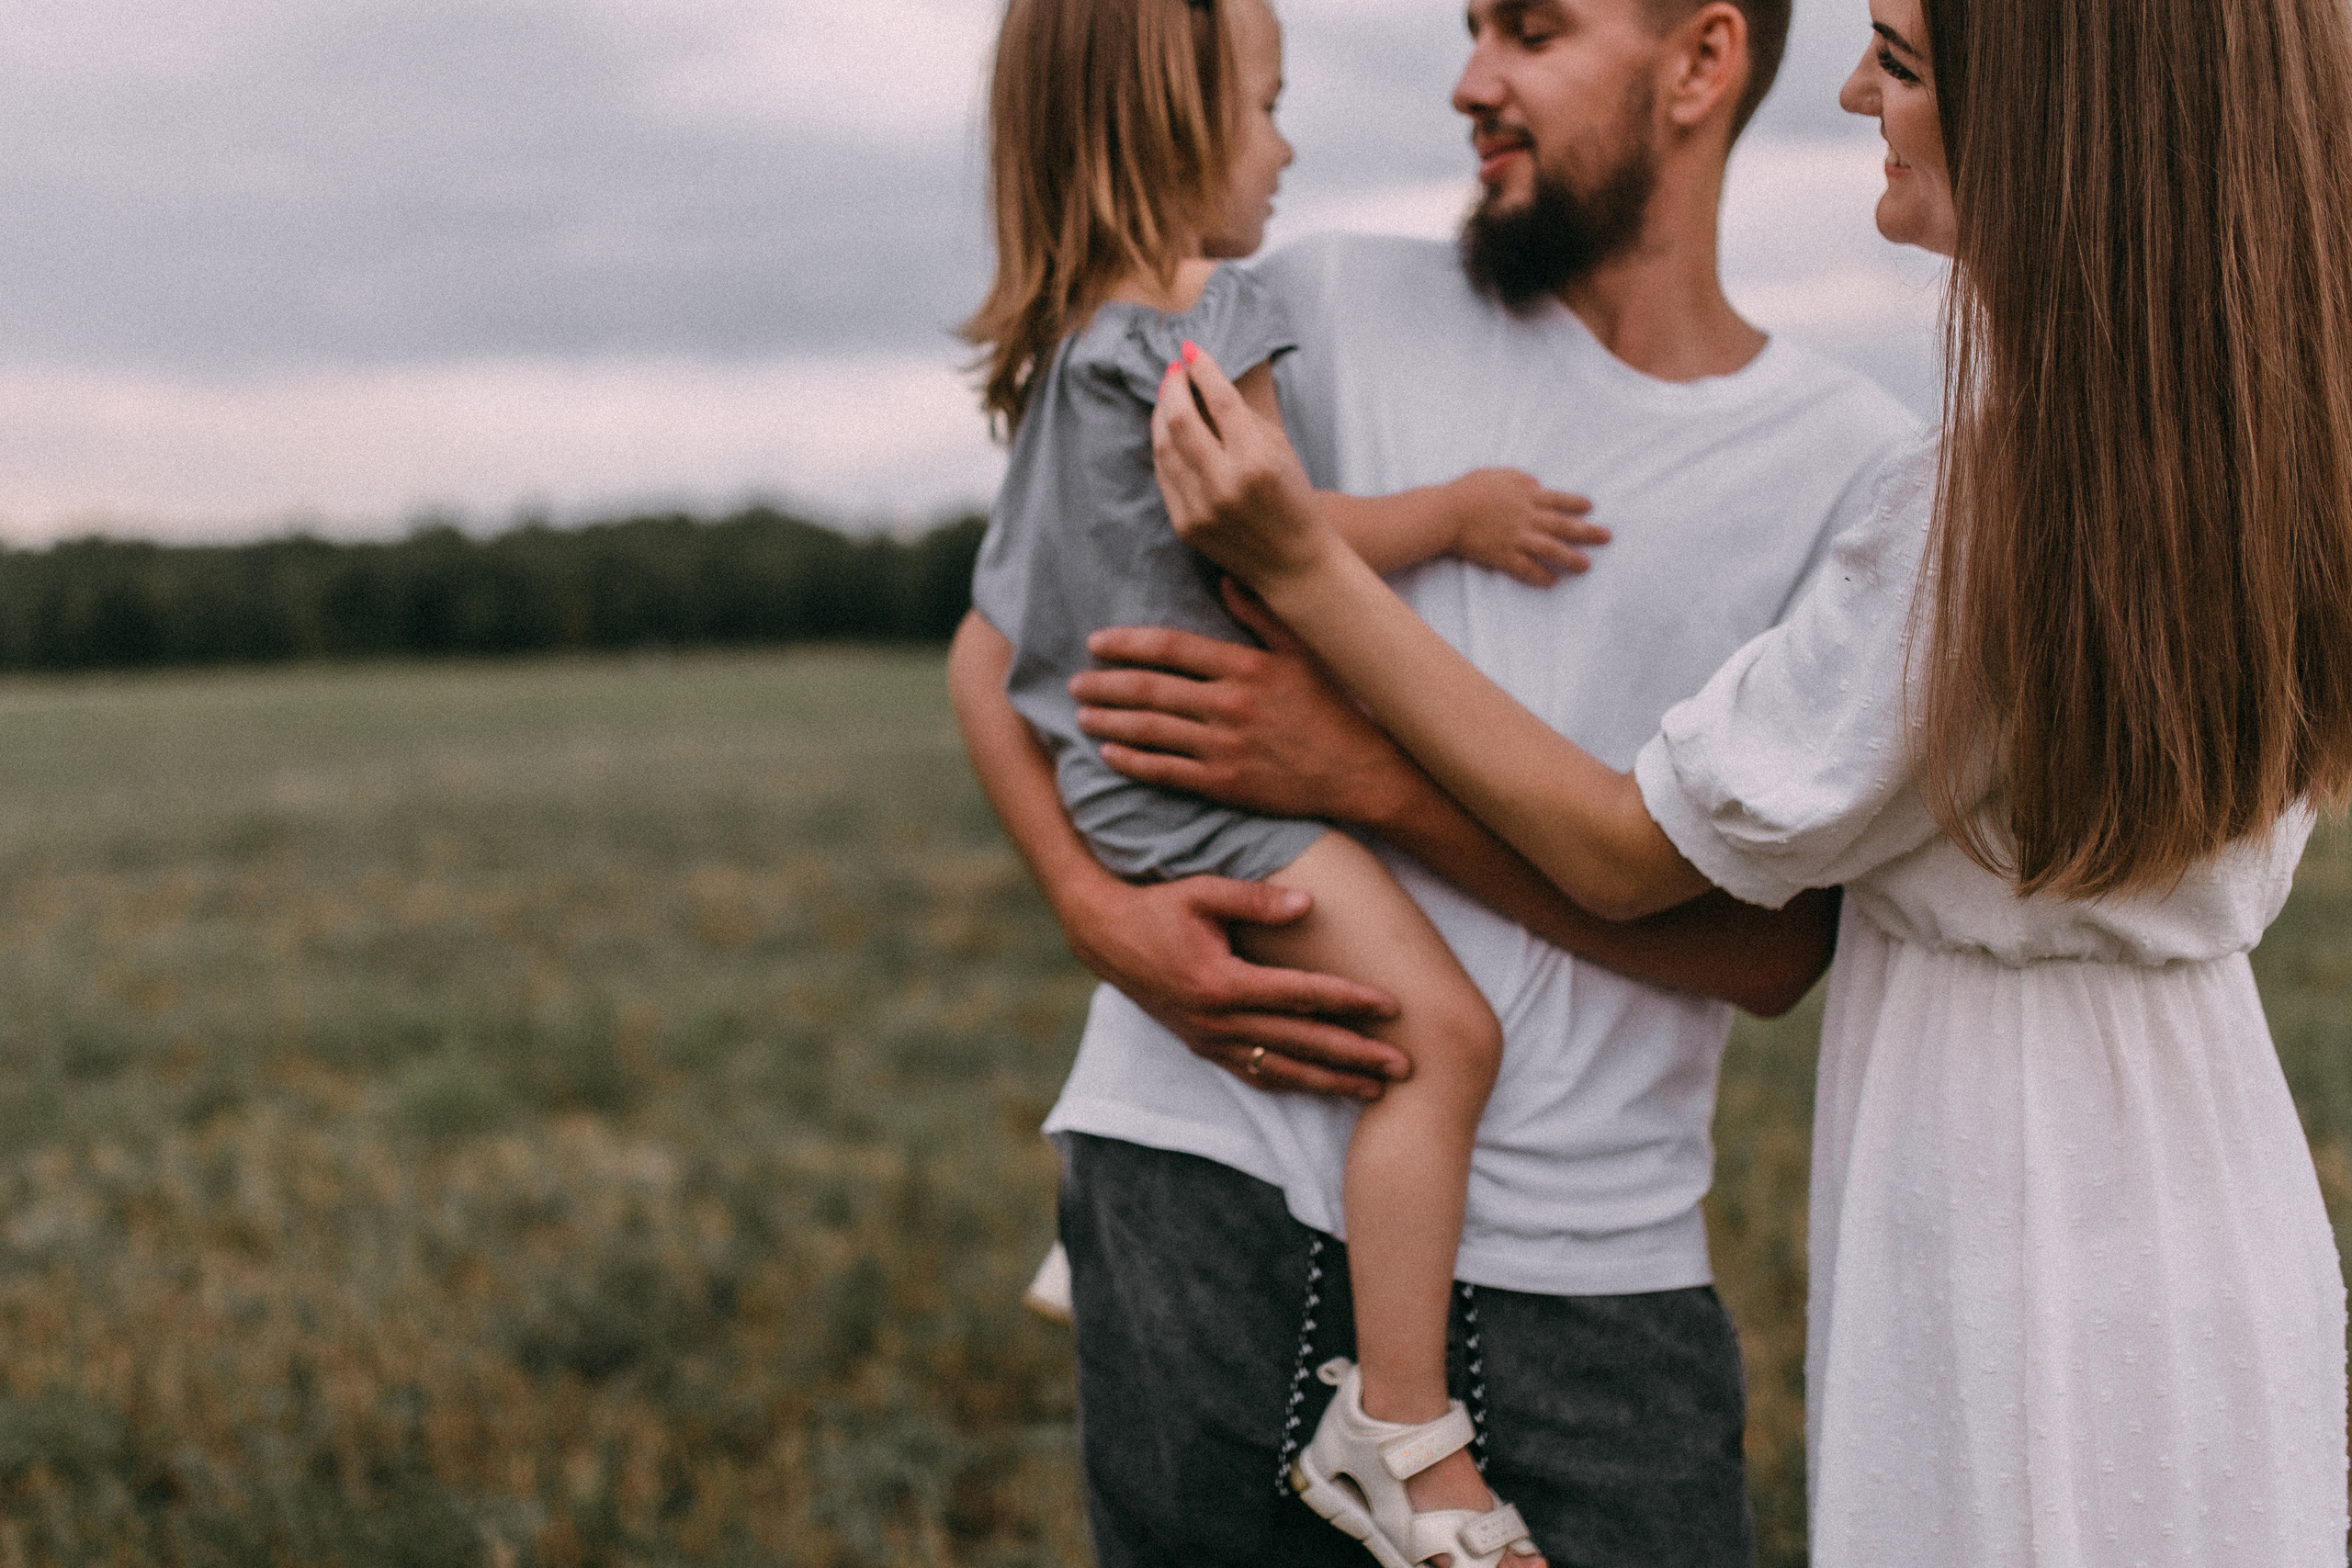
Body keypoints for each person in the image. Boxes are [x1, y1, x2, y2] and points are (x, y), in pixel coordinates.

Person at [1143, 0, 2352, 1559]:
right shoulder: (2257, 463)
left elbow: (1631, 851)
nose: (1853, 88)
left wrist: (1306, 570)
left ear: (2060, 133)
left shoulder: (1981, 516)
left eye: (1902, 62)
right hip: (2207, 1172)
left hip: (2005, 1186)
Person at [949, 0, 1918, 1562]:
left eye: (1530, 29)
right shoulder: (1296, 299)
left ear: (1702, 61)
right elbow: (1001, 654)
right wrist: (1091, 912)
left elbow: (1774, 953)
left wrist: (1364, 778)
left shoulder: (1854, 470)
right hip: (1207, 1201)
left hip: (1584, 1280)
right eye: (1471, 27)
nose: (1470, 80)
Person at [958, 0, 1622, 1559]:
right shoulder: (1211, 318)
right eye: (1264, 105)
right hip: (1207, 798)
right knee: (1443, 1041)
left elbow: (1002, 628)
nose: (1286, 143)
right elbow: (1278, 551)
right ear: (1173, 129)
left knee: (1300, 1014)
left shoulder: (1068, 356)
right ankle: (1394, 1432)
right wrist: (1455, 513)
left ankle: (1115, 1228)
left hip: (1108, 794)